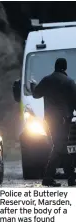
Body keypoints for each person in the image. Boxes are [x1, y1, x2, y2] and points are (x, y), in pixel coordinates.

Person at [30, 58, 76, 187]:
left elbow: (35, 94)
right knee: (59, 147)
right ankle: (48, 178)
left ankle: (71, 177)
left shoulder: (47, 80)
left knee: (60, 146)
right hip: (63, 119)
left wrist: (34, 85)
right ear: (65, 68)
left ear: (55, 67)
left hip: (50, 119)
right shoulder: (69, 82)